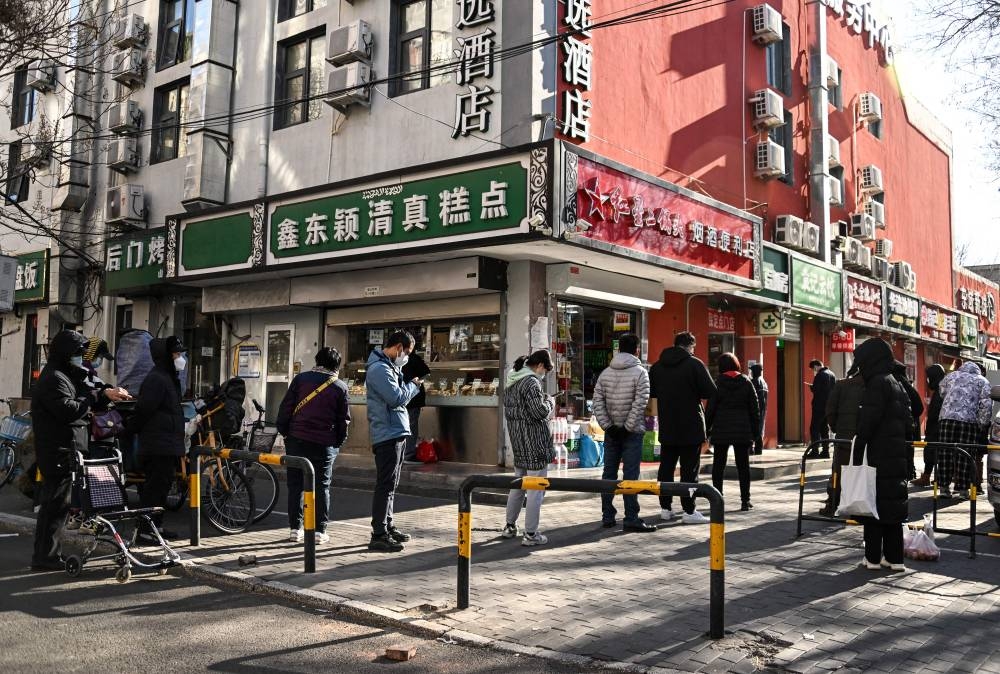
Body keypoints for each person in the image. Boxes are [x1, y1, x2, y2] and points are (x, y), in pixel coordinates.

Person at [30, 330, 129, 570]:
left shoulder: (64, 374)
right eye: (76, 353)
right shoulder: (54, 378)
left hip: (65, 448)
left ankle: (48, 554)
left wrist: (104, 394)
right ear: (65, 353)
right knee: (54, 507)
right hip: (57, 450)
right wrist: (92, 399)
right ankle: (44, 557)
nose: (80, 357)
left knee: (58, 506)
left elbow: (86, 388)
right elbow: (68, 409)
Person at [276, 347, 350, 545]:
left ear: (317, 361)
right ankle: (319, 531)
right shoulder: (340, 387)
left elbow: (286, 409)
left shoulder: (301, 380)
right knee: (322, 486)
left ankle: (295, 529)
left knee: (295, 485)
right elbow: (343, 421)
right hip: (323, 444)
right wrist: (337, 443)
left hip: (296, 440)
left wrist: (286, 433)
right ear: (337, 365)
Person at [850, 338, 912, 572]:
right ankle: (895, 559)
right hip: (895, 455)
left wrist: (857, 452)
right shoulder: (895, 382)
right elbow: (909, 420)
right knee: (893, 511)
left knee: (873, 508)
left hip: (878, 455)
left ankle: (873, 558)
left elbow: (867, 424)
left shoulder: (876, 383)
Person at [649, 331, 717, 524]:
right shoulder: (694, 364)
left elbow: (651, 394)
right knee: (689, 470)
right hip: (691, 425)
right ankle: (689, 510)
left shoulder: (657, 367)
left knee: (666, 467)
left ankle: (665, 508)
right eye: (693, 348)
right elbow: (710, 391)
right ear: (689, 346)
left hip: (667, 424)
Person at [127, 336, 187, 542]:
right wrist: (129, 429)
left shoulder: (168, 377)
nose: (180, 358)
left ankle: (156, 527)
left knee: (162, 489)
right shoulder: (157, 379)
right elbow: (144, 410)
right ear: (165, 357)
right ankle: (145, 531)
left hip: (166, 444)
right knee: (154, 490)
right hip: (157, 445)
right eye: (176, 354)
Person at [366, 330, 420, 552]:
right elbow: (396, 397)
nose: (406, 356)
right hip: (387, 433)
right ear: (398, 347)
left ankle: (387, 526)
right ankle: (378, 533)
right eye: (406, 351)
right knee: (385, 484)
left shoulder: (389, 367)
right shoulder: (379, 369)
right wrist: (414, 386)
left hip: (395, 431)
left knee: (392, 484)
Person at [593, 333, 654, 531]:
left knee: (609, 473)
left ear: (618, 350)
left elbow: (597, 402)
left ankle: (607, 516)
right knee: (630, 475)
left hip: (611, 433)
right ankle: (631, 517)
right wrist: (627, 426)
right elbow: (641, 401)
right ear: (636, 349)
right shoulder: (640, 373)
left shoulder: (605, 373)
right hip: (632, 432)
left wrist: (608, 426)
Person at [501, 350, 556, 546]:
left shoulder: (512, 380)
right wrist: (550, 401)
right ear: (540, 365)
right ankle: (531, 534)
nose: (544, 374)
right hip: (535, 443)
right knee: (535, 489)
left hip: (518, 442)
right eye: (545, 370)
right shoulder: (531, 382)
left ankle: (509, 526)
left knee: (518, 486)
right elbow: (538, 411)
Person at [706, 353, 759, 511]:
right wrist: (755, 433)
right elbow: (755, 409)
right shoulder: (746, 382)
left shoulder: (717, 383)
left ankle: (718, 500)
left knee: (718, 466)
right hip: (742, 430)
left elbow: (710, 409)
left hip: (721, 429)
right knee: (743, 466)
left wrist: (706, 429)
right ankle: (745, 501)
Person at [936, 362, 992, 498]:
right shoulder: (982, 381)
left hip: (946, 419)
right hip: (968, 421)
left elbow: (941, 391)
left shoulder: (951, 376)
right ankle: (962, 490)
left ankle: (943, 488)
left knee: (945, 452)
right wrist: (982, 423)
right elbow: (986, 404)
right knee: (965, 454)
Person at [820, 365, 865, 517]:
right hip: (865, 440)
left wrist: (837, 428)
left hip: (844, 438)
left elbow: (830, 411)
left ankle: (833, 504)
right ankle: (860, 506)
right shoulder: (874, 386)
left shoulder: (842, 385)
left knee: (838, 474)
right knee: (862, 473)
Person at [914, 364, 946, 487]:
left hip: (936, 428)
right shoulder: (941, 389)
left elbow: (935, 413)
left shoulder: (940, 391)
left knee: (931, 452)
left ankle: (927, 477)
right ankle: (935, 477)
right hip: (937, 428)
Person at [892, 361, 924, 480]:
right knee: (907, 452)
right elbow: (919, 408)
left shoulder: (893, 383)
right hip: (908, 426)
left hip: (896, 427)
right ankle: (910, 472)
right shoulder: (908, 385)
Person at [401, 352, 431, 464]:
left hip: (400, 397)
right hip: (413, 398)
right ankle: (408, 454)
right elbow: (426, 372)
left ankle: (401, 453)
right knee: (411, 426)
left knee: (403, 426)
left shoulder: (393, 358)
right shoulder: (413, 358)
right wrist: (417, 382)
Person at [805, 359, 837, 458]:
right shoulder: (832, 374)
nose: (813, 371)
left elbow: (816, 389)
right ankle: (826, 452)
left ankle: (814, 452)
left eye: (812, 369)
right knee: (824, 429)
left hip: (819, 406)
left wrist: (811, 387)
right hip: (828, 406)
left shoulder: (820, 375)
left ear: (815, 366)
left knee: (814, 429)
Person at [749, 363, 768, 455]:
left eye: (752, 371)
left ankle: (751, 449)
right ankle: (758, 450)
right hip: (763, 409)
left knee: (752, 429)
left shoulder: (754, 382)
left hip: (755, 409)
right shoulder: (764, 382)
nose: (751, 373)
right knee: (760, 429)